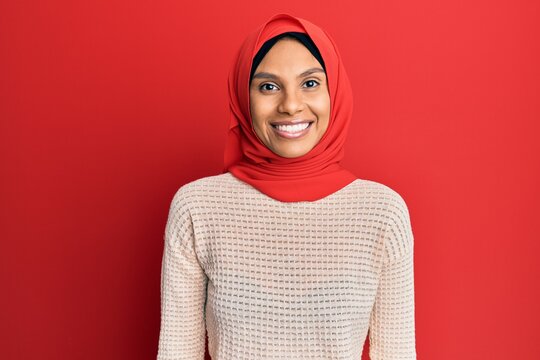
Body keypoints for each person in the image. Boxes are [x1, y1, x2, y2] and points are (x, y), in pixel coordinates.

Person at [157, 13, 417, 360]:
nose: (291, 104)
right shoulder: (197, 208)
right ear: (242, 96)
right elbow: (177, 352)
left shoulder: (383, 213)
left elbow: (397, 353)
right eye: (268, 86)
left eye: (310, 83)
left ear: (334, 91)